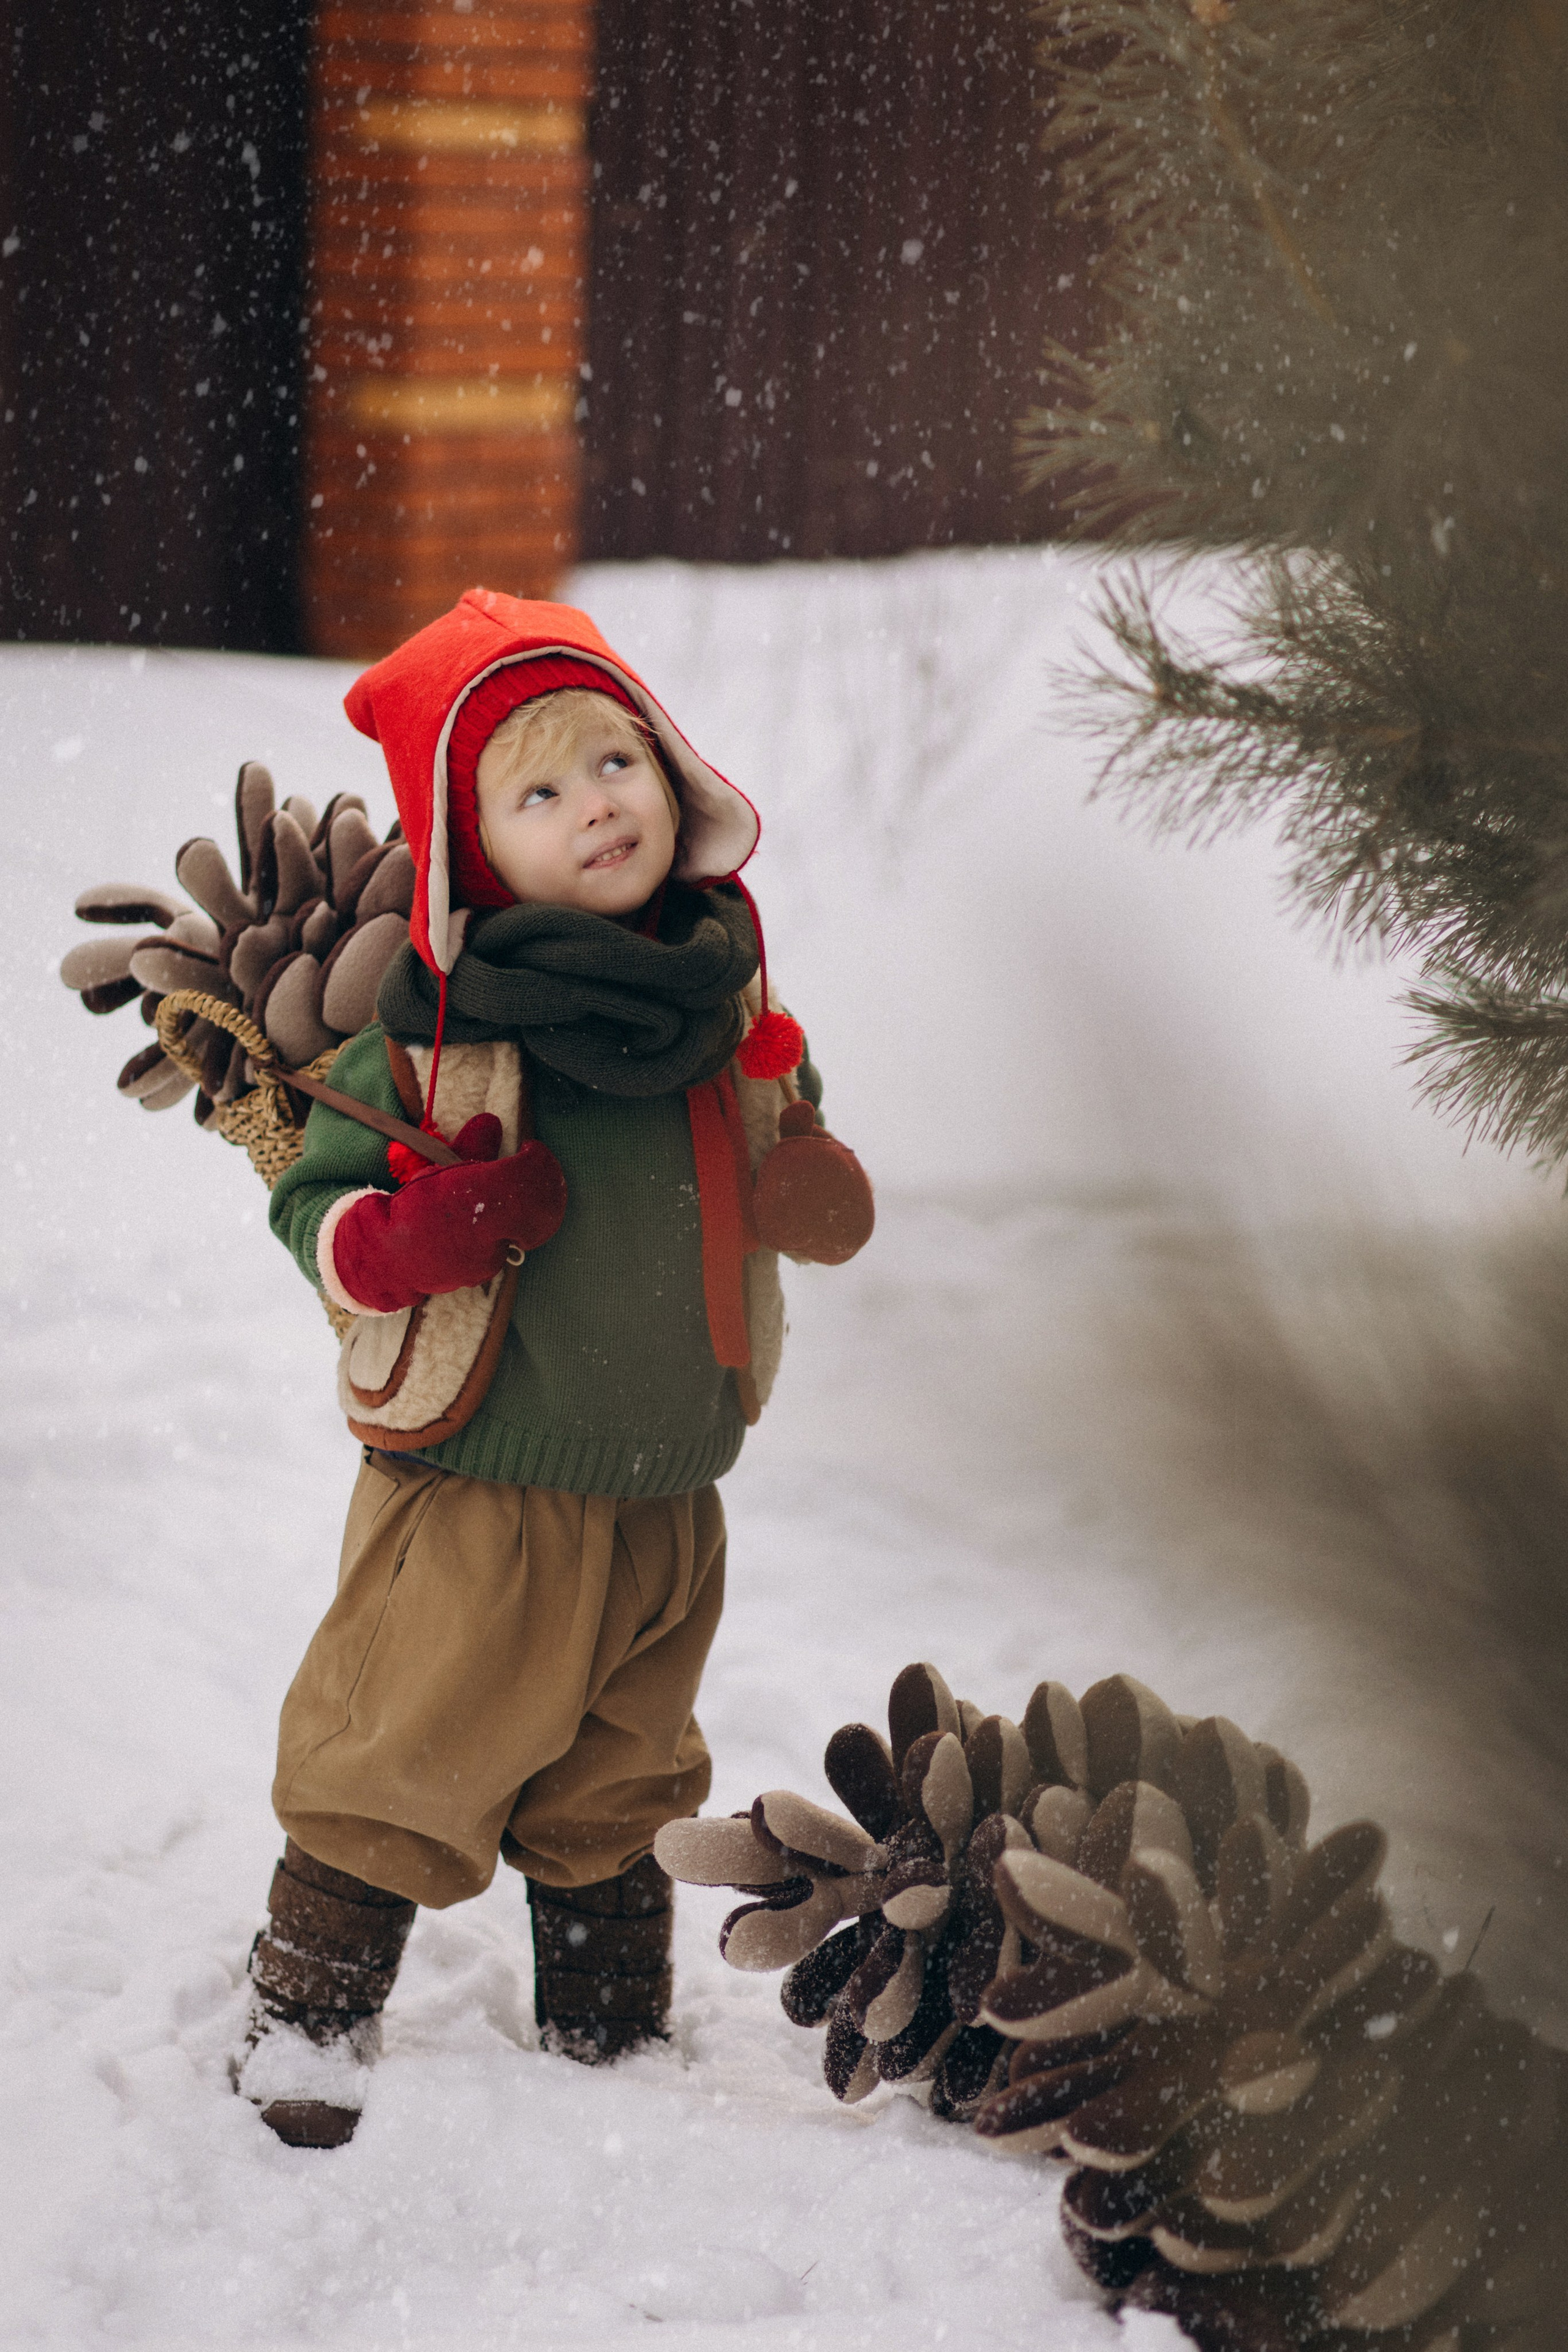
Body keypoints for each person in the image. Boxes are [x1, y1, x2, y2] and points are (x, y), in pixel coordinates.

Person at [235, 589, 873, 2148]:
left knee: (625, 1767)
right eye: (539, 790)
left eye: (617, 764)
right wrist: (412, 1236)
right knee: (403, 1740)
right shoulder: (436, 1035)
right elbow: (315, 1199)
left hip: (669, 1482)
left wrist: (811, 1179)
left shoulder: (723, 1003)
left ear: (673, 778)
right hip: (482, 1486)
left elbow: (786, 1143)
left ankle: (606, 2027)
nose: (597, 804)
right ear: (473, 853)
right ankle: (311, 2009)